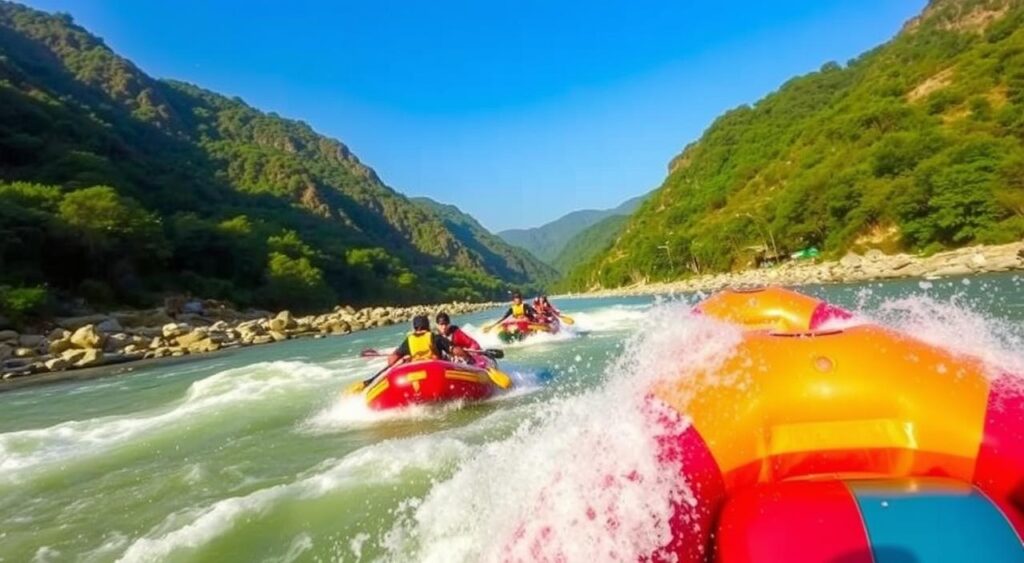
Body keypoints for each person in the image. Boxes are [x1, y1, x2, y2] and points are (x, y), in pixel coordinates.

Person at [387, 315, 467, 367]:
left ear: (414, 328)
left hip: (416, 371)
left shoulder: (409, 340)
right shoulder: (435, 337)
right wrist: (468, 357)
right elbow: (455, 350)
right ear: (428, 326)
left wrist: (403, 359)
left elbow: (391, 360)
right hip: (436, 369)